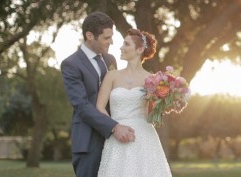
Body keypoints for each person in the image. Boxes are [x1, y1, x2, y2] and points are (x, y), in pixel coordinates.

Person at [61, 12, 136, 177]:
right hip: (89, 141)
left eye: (111, 37)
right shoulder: (71, 64)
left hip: (118, 139)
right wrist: (114, 127)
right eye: (106, 38)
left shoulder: (110, 60)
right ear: (89, 36)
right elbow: (81, 105)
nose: (112, 42)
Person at [96, 29, 172, 177]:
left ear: (139, 49)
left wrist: (166, 102)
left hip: (144, 136)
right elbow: (99, 107)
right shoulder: (112, 76)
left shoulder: (153, 79)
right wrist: (114, 127)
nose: (121, 47)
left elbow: (152, 114)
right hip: (117, 135)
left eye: (126, 44)